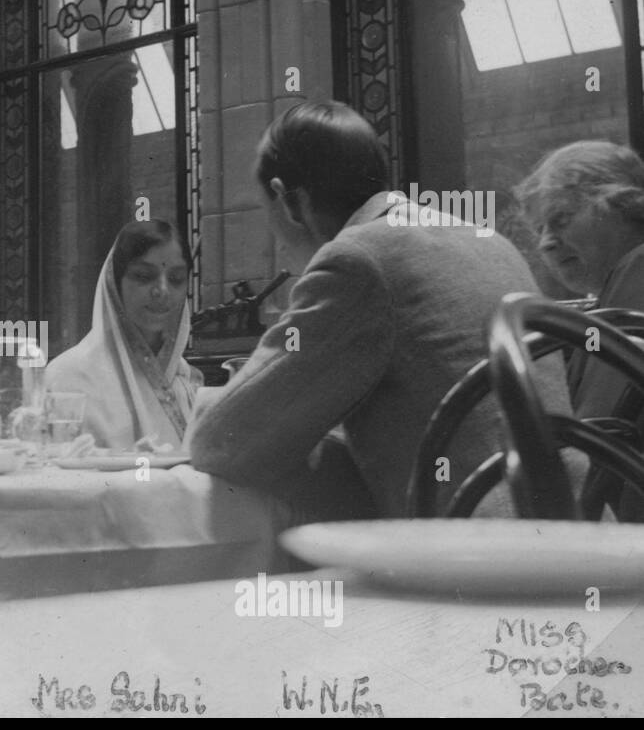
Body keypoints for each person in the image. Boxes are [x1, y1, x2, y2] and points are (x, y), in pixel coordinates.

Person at [188, 100, 574, 521]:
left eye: (268, 217)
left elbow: (222, 444)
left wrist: (207, 400)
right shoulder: (489, 240)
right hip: (580, 526)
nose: (278, 243)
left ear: (288, 200)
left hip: (484, 552)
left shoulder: (358, 258)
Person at [515, 140, 644, 521]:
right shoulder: (614, 293)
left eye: (561, 219)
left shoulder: (637, 270)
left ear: (623, 202)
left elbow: (591, 447)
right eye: (539, 229)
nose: (545, 243)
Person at [44, 220, 202, 449]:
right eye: (144, 276)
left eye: (176, 279)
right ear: (114, 284)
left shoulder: (185, 379)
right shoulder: (68, 377)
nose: (162, 290)